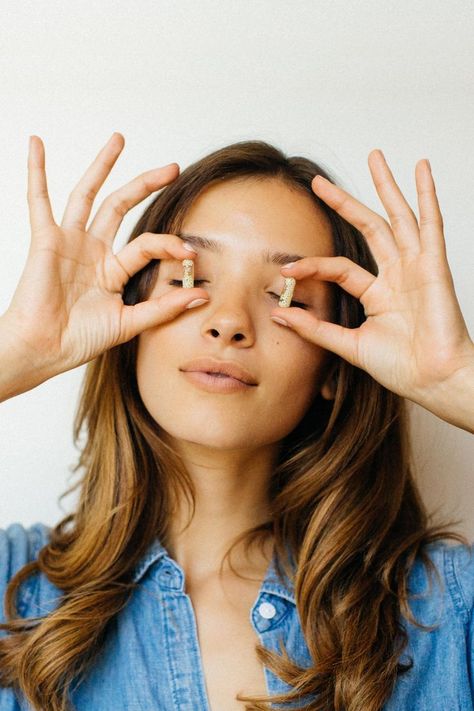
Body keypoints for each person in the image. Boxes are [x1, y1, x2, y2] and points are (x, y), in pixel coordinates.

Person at [0, 133, 473, 711]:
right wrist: (19, 352)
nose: (228, 322)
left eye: (286, 296)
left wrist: (455, 381)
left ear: (339, 361)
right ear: (127, 323)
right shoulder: (14, 590)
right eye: (189, 279)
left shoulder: (446, 609)